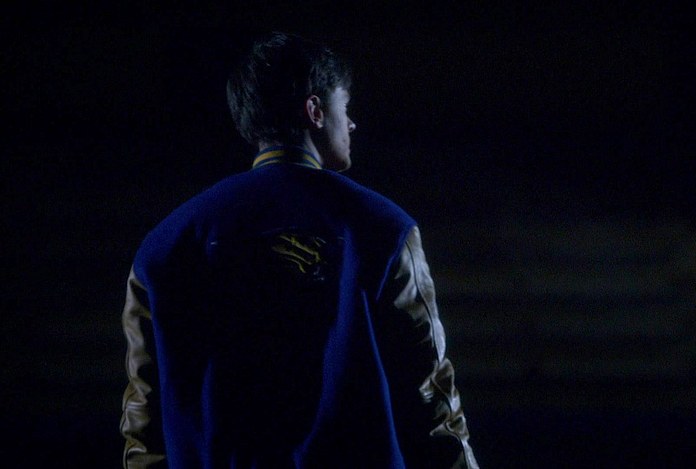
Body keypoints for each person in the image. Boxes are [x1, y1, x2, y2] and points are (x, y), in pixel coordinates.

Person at [119, 31, 478, 468]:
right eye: (345, 108)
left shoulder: (165, 246)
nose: (352, 124)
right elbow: (431, 399)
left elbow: (144, 422)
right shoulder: (385, 229)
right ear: (315, 111)